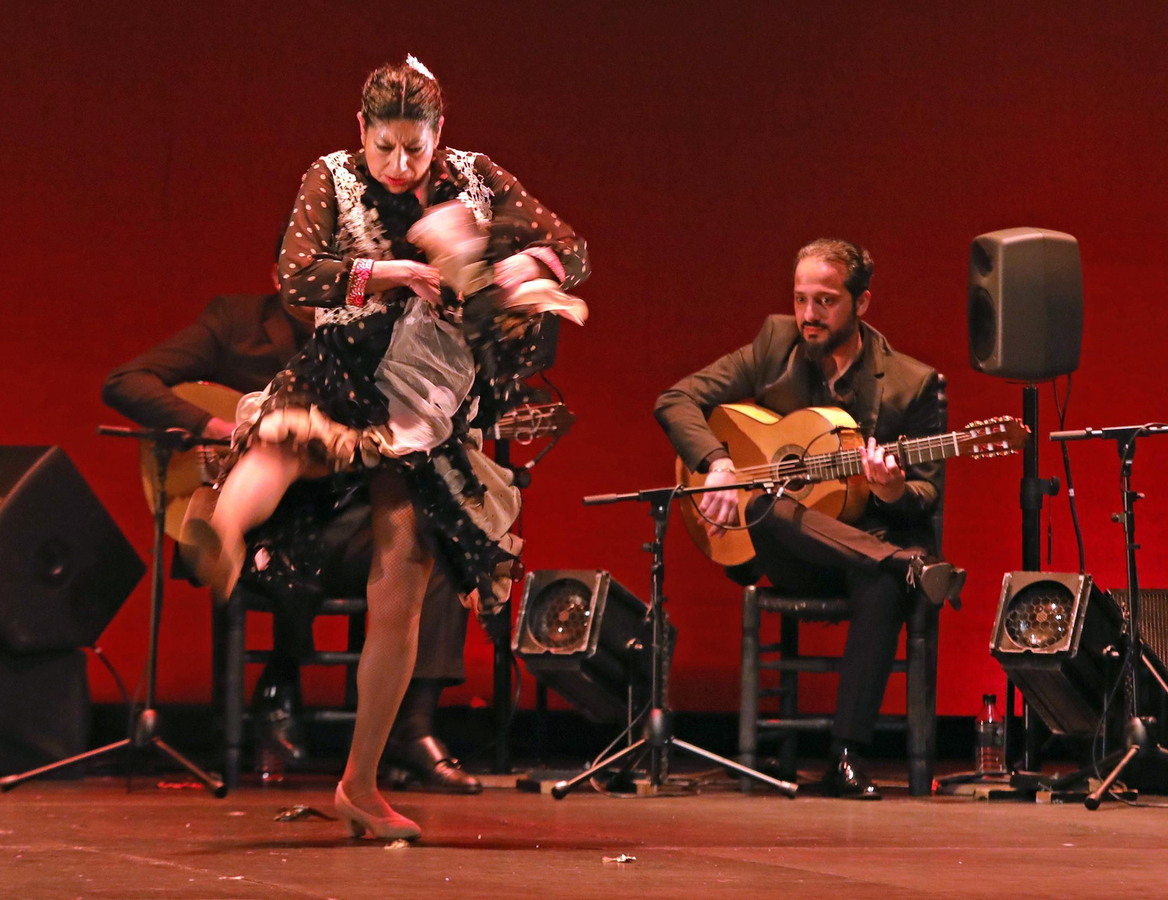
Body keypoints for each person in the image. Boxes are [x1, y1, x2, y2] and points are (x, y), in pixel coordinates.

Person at [196, 57, 588, 839]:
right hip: (352, 365)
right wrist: (388, 271)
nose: (400, 165)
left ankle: (362, 784)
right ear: (361, 132)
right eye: (386, 147)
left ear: (439, 133)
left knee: (404, 571)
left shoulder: (479, 178)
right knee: (288, 438)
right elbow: (296, 273)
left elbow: (570, 249)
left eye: (415, 147)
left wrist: (517, 269)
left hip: (434, 402)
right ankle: (222, 531)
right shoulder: (332, 177)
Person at [101, 252, 482, 793]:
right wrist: (215, 426)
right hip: (269, 521)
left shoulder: (379, 329)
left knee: (439, 542)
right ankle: (268, 655)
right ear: (280, 276)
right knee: (277, 505)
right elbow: (125, 380)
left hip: (343, 510)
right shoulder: (234, 322)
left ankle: (410, 730)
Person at [653, 238, 964, 799]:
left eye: (824, 301)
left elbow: (927, 494)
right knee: (768, 503)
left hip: (871, 544)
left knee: (878, 579)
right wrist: (718, 463)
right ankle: (906, 567)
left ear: (862, 303)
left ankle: (844, 757)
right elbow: (675, 399)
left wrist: (890, 491)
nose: (807, 315)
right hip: (796, 552)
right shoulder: (775, 345)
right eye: (800, 299)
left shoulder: (913, 383)